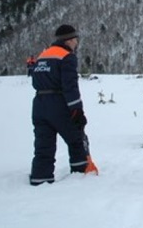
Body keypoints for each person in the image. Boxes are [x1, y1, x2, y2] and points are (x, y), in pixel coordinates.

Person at [29, 24, 96, 185]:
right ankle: (81, 172)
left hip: (38, 104)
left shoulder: (43, 55)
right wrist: (77, 111)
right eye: (75, 40)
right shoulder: (67, 56)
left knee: (43, 144)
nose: (76, 43)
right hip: (58, 104)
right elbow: (70, 86)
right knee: (76, 138)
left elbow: (35, 80)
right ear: (68, 40)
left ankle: (40, 177)